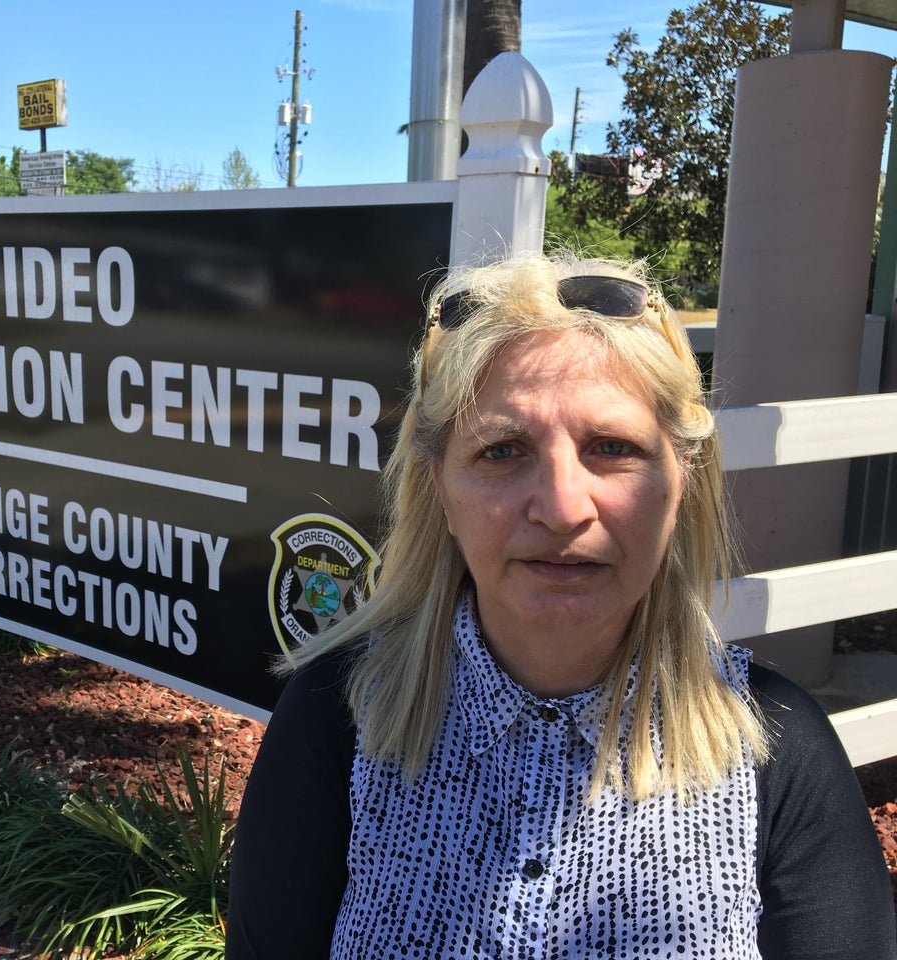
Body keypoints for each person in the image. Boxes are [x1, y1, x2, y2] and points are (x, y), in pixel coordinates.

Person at [226, 252, 897, 959]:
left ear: (682, 480)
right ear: (439, 490)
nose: (562, 508)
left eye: (612, 447)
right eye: (503, 450)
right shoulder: (337, 718)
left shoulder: (780, 752)